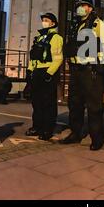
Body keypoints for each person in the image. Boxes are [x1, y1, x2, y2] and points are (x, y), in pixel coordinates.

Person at [59, 0, 104, 151]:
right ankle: (75, 133)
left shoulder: (99, 25)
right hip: (76, 70)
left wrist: (101, 67)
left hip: (91, 70)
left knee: (94, 106)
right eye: (79, 5)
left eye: (83, 5)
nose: (80, 8)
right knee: (74, 104)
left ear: (90, 8)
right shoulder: (76, 25)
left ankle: (97, 138)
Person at [25, 12, 64, 141]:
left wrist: (49, 73)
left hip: (47, 72)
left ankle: (47, 129)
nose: (44, 22)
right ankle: (37, 127)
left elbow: (58, 58)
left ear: (53, 23)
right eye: (43, 20)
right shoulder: (39, 38)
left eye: (47, 20)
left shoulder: (56, 38)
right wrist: (30, 71)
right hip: (37, 72)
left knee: (48, 103)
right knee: (36, 103)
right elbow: (34, 58)